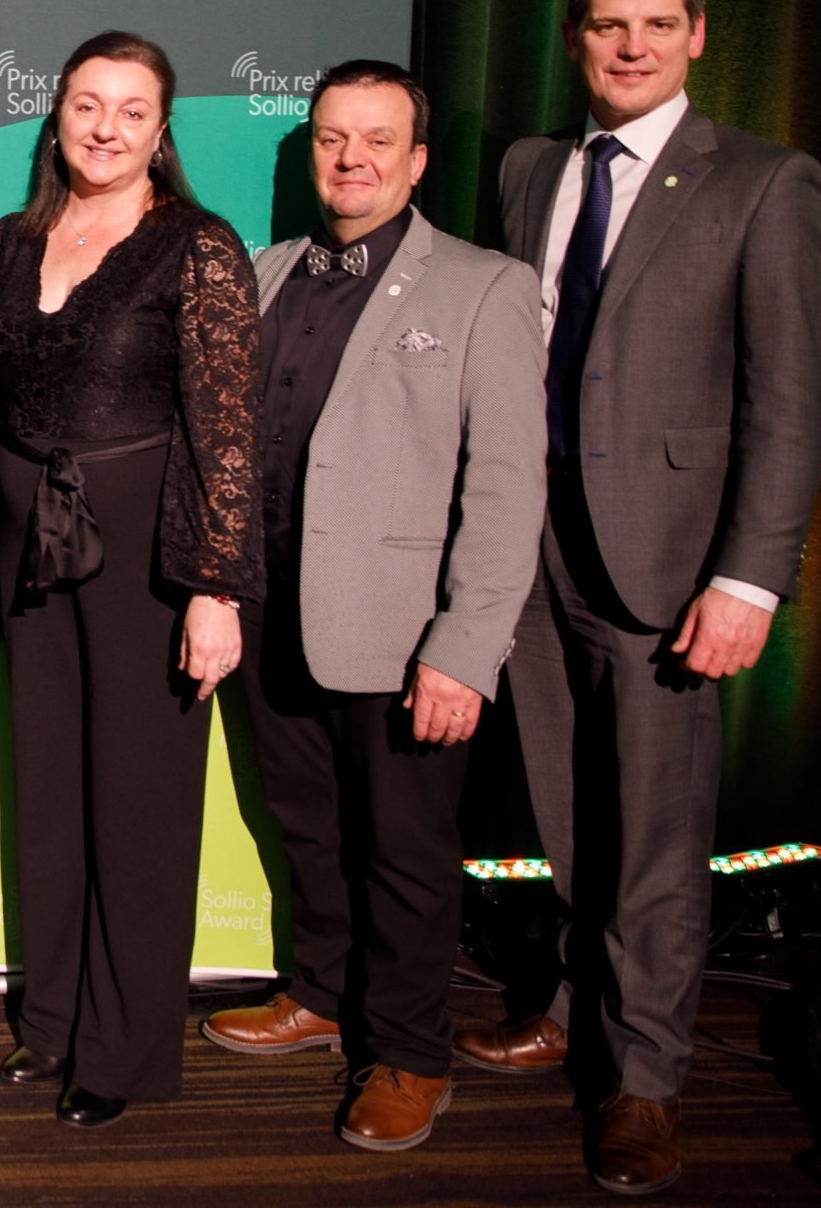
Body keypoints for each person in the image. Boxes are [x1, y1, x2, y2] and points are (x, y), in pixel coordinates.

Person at [462, 0, 821, 1195]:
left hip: (671, 568)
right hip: (535, 550)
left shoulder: (765, 183)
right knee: (569, 817)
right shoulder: (525, 171)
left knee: (659, 838)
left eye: (656, 25)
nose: (631, 47)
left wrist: (750, 579)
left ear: (696, 36)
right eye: (608, 26)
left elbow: (792, 402)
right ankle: (575, 1012)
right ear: (575, 40)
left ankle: (647, 1080)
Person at [200, 62, 546, 1151]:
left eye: (376, 140)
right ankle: (320, 992)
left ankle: (407, 1052)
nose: (351, 159)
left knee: (402, 846)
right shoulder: (262, 272)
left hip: (403, 630)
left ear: (417, 159)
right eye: (331, 138)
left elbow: (505, 482)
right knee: (304, 824)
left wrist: (466, 646)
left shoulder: (484, 286)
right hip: (269, 607)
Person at [0, 31, 261, 1129]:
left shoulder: (198, 248)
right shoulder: (10, 243)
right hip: (27, 539)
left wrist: (216, 584)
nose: (105, 128)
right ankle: (54, 1022)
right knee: (48, 794)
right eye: (86, 105)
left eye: (130, 110)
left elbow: (226, 430)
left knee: (140, 805)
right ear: (55, 117)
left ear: (162, 132)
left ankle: (121, 1052)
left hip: (147, 548)